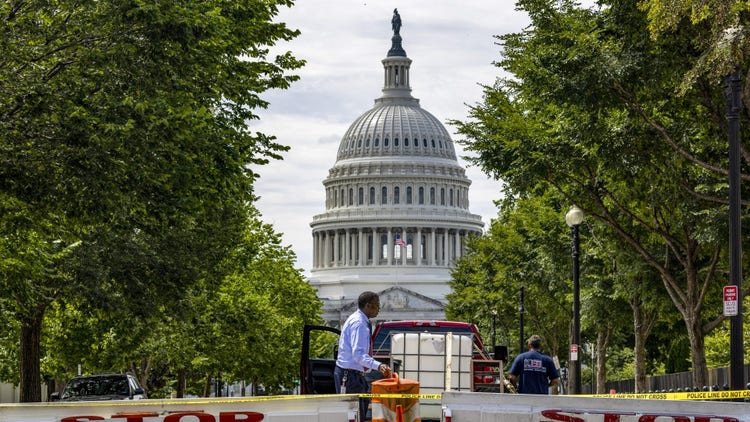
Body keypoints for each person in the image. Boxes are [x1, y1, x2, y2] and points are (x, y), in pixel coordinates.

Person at [335, 291, 392, 420]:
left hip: (352, 374)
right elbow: (359, 355)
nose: (379, 309)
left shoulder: (359, 320)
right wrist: (379, 365)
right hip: (349, 376)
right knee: (354, 415)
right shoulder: (359, 324)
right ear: (368, 305)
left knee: (358, 413)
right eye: (377, 305)